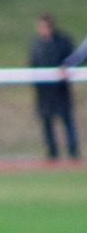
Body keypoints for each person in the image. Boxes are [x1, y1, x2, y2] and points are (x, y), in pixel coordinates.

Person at [29, 15, 80, 160]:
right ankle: (52, 151)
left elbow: (73, 59)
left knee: (66, 119)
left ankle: (73, 150)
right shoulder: (36, 44)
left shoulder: (63, 41)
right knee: (47, 122)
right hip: (44, 91)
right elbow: (33, 64)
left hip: (61, 89)